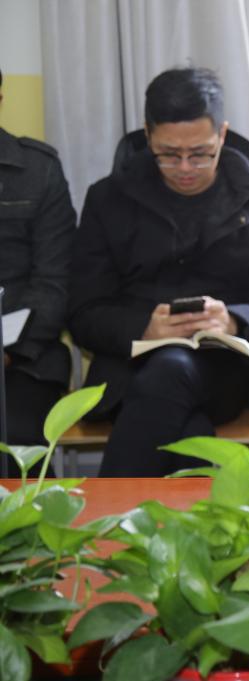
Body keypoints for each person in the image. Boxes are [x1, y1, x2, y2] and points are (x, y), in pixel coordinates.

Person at [69, 67, 249, 477]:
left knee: (172, 372)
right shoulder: (108, 200)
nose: (185, 167)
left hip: (224, 373)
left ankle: (107, 513)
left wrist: (232, 320)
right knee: (188, 433)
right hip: (128, 371)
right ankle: (204, 518)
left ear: (222, 135)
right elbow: (83, 313)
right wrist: (144, 327)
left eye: (200, 153)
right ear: (147, 135)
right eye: (169, 154)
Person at [0, 66, 76, 455]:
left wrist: (10, 350)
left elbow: (54, 281)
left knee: (12, 444)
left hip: (22, 358)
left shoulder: (37, 169)